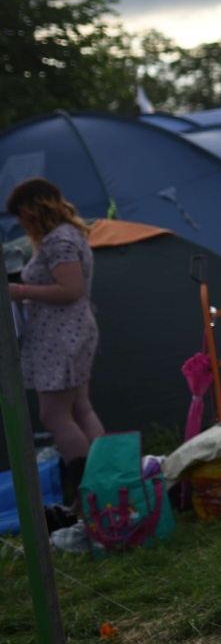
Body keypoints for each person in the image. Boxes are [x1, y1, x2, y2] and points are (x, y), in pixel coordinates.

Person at [5, 179, 103, 495]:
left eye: (21, 214)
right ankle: (105, 484)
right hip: (71, 333)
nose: (20, 222)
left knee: (54, 415)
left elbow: (70, 289)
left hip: (61, 337)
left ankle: (87, 490)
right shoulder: (67, 235)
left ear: (36, 209)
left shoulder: (58, 243)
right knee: (79, 409)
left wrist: (18, 291)